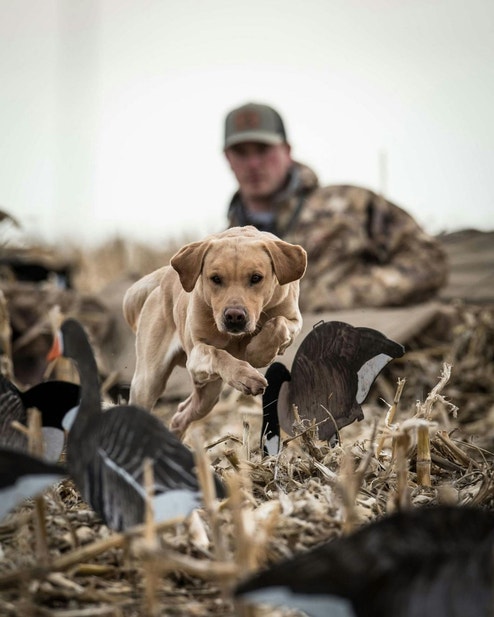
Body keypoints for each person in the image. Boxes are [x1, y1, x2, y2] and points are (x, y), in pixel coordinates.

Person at [224, 102, 448, 312]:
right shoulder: (224, 249)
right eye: (241, 152)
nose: (253, 164)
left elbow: (429, 260)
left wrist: (342, 297)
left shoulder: (352, 205)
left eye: (263, 150)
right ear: (227, 158)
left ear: (287, 151)